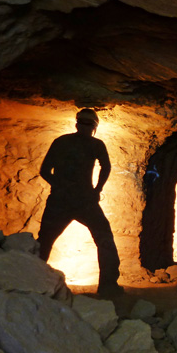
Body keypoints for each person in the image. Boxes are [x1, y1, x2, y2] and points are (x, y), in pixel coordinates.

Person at [37, 108, 122, 296]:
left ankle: (34, 282)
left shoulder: (60, 142)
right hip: (85, 200)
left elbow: (44, 170)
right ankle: (108, 286)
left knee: (44, 241)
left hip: (60, 200)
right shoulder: (96, 144)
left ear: (77, 124)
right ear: (94, 127)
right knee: (105, 238)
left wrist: (58, 185)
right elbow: (106, 167)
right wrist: (97, 190)